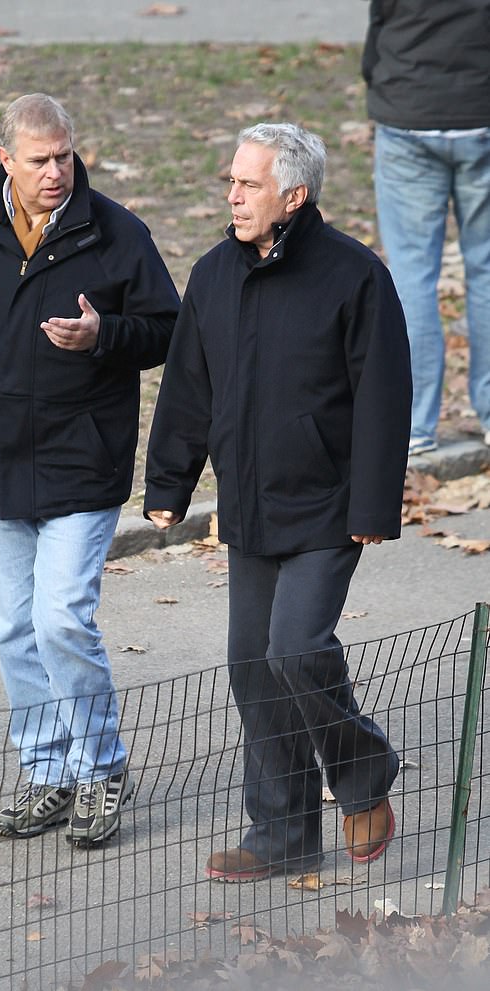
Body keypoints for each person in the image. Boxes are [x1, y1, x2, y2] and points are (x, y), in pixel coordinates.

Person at [144, 122, 412, 882]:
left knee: (296, 648)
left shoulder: (355, 276)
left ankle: (363, 774)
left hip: (329, 504)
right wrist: (170, 482)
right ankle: (285, 830)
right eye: (231, 180)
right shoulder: (213, 274)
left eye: (249, 183)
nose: (232, 194)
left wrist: (373, 505)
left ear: (293, 195)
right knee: (252, 667)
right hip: (251, 507)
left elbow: (384, 399)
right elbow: (188, 387)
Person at [0, 93, 180, 845]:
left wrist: (106, 334)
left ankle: (100, 769)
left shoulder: (115, 233)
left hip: (82, 460)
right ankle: (48, 773)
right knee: (13, 627)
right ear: (6, 158)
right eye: (39, 159)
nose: (57, 172)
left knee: (61, 617)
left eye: (65, 155)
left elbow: (167, 327)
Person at [362, 0, 490, 457]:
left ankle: (414, 423)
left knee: (412, 273)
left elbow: (381, 21)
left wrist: (377, 80)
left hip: (408, 108)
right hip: (481, 108)